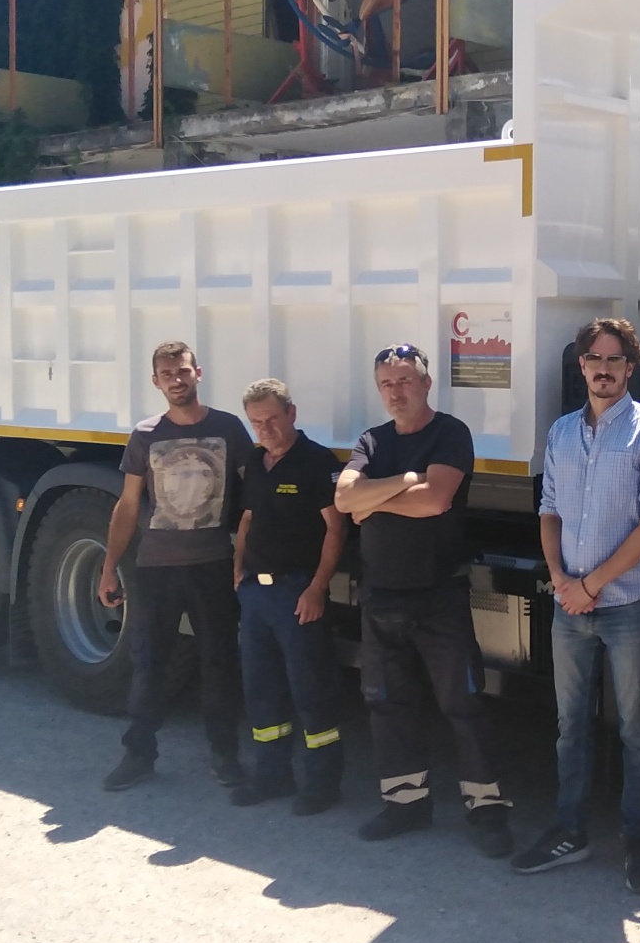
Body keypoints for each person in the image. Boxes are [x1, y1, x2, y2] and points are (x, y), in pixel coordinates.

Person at [513, 318, 640, 890]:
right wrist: (561, 578)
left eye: (614, 360)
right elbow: (549, 511)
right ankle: (570, 831)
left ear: (630, 367)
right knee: (571, 727)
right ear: (581, 365)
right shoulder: (562, 432)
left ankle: (639, 842)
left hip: (628, 605)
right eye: (594, 359)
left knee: (637, 730)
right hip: (570, 603)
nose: (603, 369)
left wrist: (592, 586)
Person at [335, 344, 514, 858]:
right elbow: (345, 499)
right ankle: (405, 804)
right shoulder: (371, 440)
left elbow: (436, 500)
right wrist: (406, 481)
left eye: (405, 381)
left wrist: (376, 499)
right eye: (387, 384)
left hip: (439, 595)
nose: (396, 392)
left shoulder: (450, 433)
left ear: (426, 383)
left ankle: (487, 810)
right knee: (387, 703)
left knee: (462, 702)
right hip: (381, 595)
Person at [99, 341, 256, 793]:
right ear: (155, 381)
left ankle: (225, 755)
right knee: (150, 664)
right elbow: (129, 504)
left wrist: (245, 557)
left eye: (183, 371)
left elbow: (254, 497)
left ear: (198, 373)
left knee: (220, 664)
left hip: (213, 565)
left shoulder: (228, 428)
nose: (176, 379)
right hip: (156, 568)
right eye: (167, 373)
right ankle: (138, 754)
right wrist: (109, 567)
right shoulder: (145, 434)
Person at [231, 378, 349, 816]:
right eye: (256, 422)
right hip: (255, 595)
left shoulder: (317, 462)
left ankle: (322, 785)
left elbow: (336, 528)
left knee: (311, 690)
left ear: (292, 414)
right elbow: (247, 518)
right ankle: (271, 776)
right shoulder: (254, 461)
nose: (266, 429)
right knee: (261, 690)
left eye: (272, 419)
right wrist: (238, 570)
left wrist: (317, 588)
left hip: (297, 593)